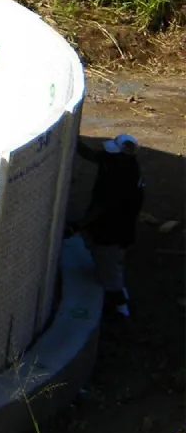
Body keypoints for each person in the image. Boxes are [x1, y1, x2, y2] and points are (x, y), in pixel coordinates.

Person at [77, 133, 143, 318]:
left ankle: (120, 310)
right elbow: (94, 156)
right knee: (111, 265)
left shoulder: (121, 178)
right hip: (120, 229)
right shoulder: (120, 162)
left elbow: (103, 206)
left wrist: (80, 225)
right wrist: (75, 143)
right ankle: (120, 296)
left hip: (112, 231)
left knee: (109, 268)